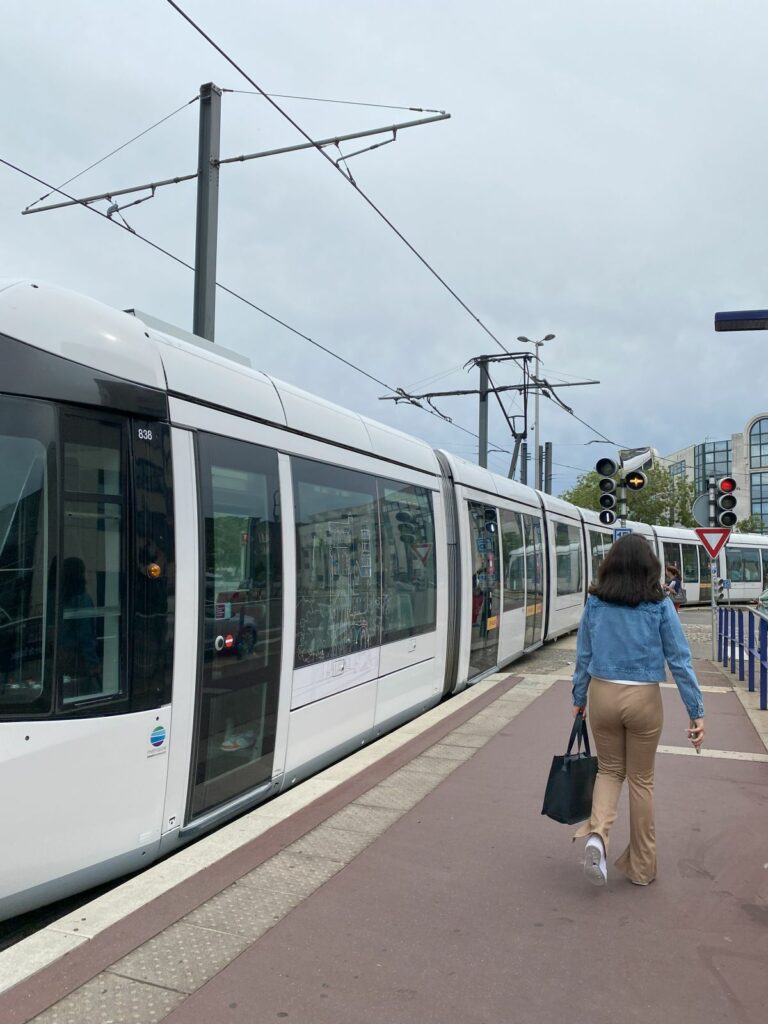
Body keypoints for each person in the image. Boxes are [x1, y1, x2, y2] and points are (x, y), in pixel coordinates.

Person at [571, 535, 705, 888]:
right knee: (641, 781)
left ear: (610, 565)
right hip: (643, 697)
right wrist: (696, 710)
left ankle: (598, 836)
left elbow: (583, 655)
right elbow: (679, 659)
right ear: (651, 567)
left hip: (602, 693)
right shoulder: (659, 605)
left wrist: (579, 695)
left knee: (610, 771)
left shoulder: (596, 603)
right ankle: (642, 868)